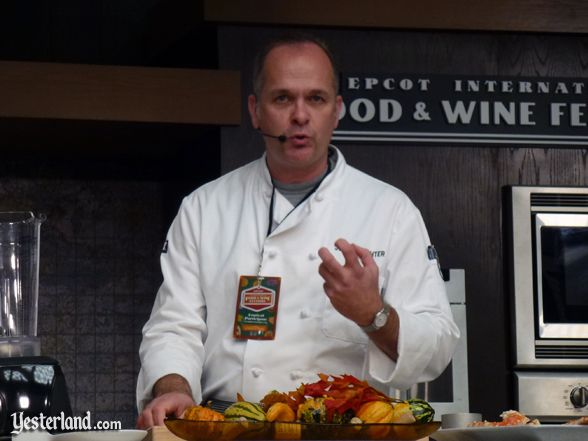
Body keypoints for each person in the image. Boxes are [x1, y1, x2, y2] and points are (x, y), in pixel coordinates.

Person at [136, 34, 459, 429]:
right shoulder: (204, 208)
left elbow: (438, 346)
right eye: (283, 98)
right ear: (255, 111)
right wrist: (174, 386)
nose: (300, 116)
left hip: (343, 434)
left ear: (337, 111)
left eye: (317, 99)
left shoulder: (390, 210)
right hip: (229, 432)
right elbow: (173, 324)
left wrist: (372, 314)